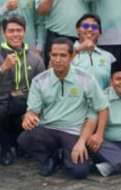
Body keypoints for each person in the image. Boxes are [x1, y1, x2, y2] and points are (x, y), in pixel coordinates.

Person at [17, 38, 110, 178]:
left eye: (63, 55)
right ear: (49, 55)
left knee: (79, 172)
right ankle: (50, 158)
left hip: (74, 132)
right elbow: (33, 111)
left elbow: (102, 107)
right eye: (54, 55)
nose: (58, 60)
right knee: (25, 138)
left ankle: (64, 157)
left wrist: (99, 134)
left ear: (72, 56)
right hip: (48, 129)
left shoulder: (85, 78)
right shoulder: (39, 81)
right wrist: (29, 116)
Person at [0, 14, 46, 165]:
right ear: (4, 33)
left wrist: (34, 108)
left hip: (26, 102)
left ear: (24, 32)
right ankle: (5, 148)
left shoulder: (35, 59)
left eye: (19, 30)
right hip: (3, 102)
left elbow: (43, 87)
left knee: (36, 112)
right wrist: (3, 68)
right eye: (11, 31)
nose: (15, 34)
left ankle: (22, 144)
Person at [71, 14, 116, 89]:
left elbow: (114, 83)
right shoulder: (65, 52)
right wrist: (78, 49)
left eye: (94, 27)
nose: (89, 29)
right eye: (85, 26)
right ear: (77, 30)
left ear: (100, 33)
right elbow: (53, 73)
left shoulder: (108, 57)